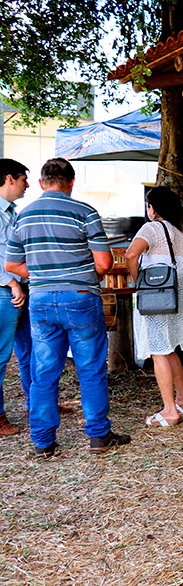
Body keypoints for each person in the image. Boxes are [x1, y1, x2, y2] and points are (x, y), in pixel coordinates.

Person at [4, 158, 130, 456]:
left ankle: (43, 441)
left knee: (44, 372)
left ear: (40, 183)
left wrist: (45, 275)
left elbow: (11, 264)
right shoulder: (85, 212)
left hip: (41, 301)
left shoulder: (23, 216)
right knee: (90, 369)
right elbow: (104, 263)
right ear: (72, 183)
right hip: (80, 298)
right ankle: (99, 436)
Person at [125, 186, 183, 427]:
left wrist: (138, 281)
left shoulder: (152, 228)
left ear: (153, 208)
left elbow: (130, 255)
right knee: (170, 349)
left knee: (159, 350)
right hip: (178, 297)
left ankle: (170, 411)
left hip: (156, 298)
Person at [0, 159, 31, 436]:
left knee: (29, 351)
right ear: (9, 179)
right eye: (23, 179)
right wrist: (11, 283)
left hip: (19, 289)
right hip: (5, 292)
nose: (27, 185)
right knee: (0, 358)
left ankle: (38, 403)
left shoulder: (12, 212)